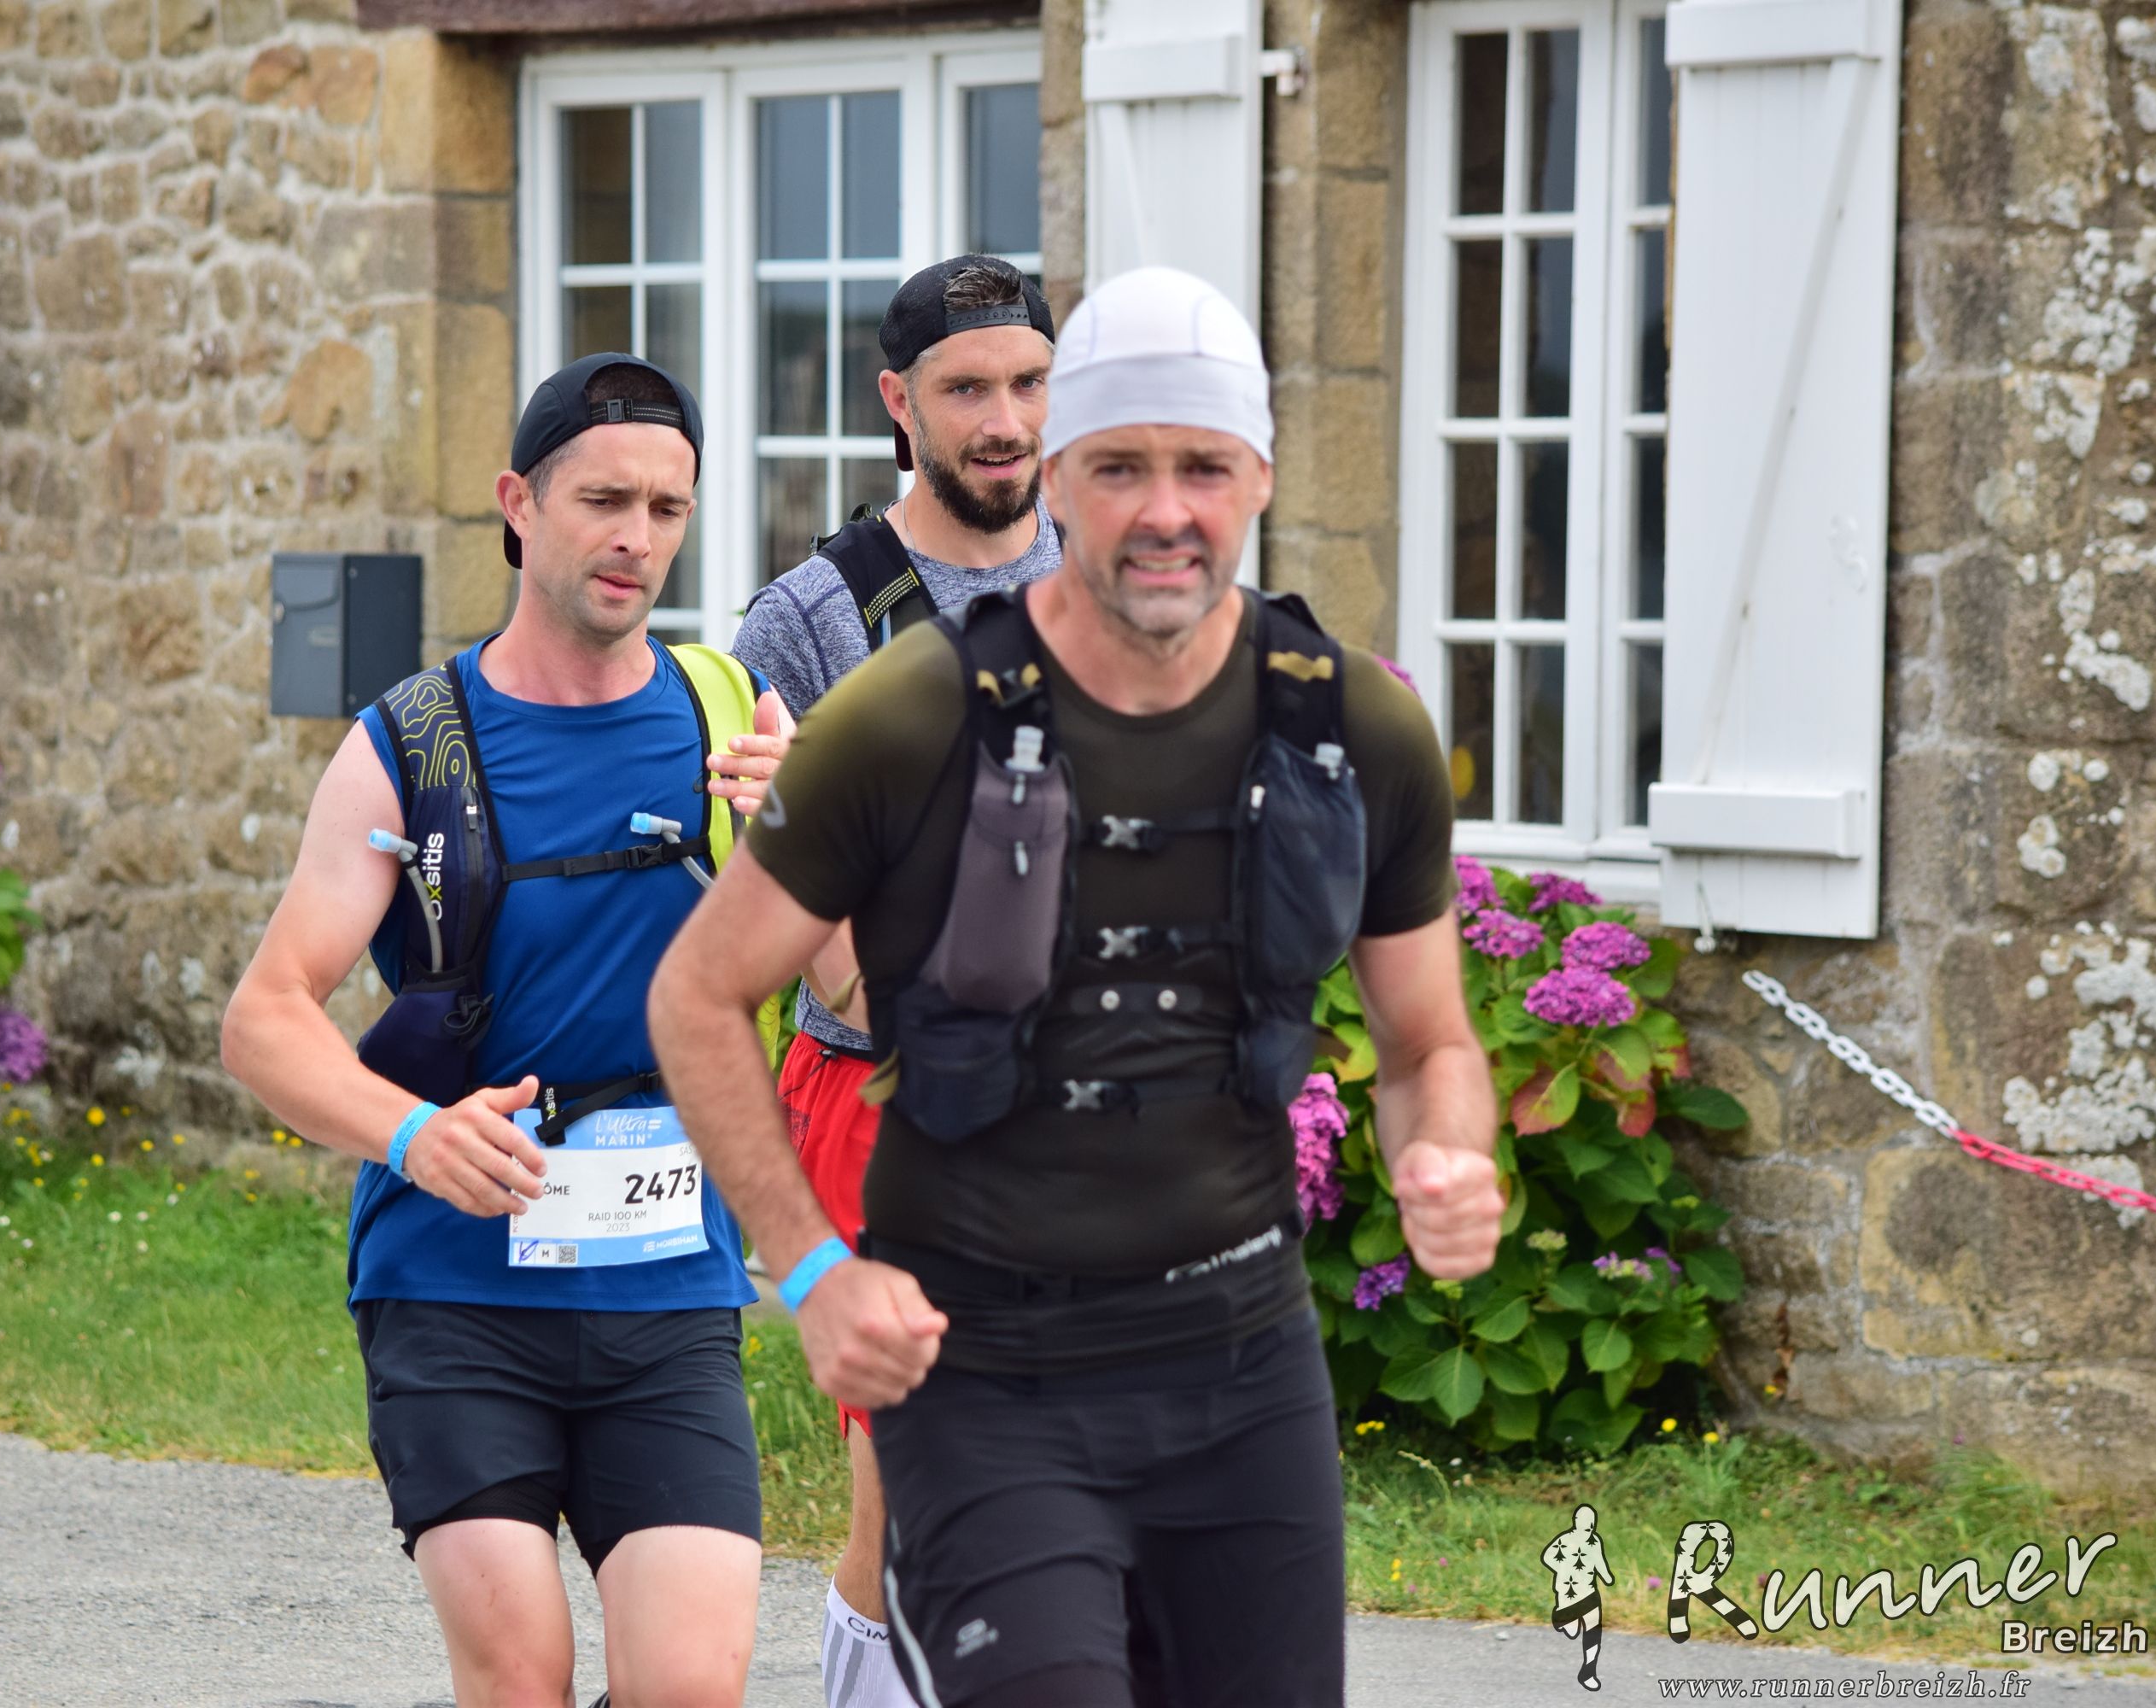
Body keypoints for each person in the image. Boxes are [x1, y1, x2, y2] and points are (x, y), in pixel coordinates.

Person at [651, 267, 1506, 1708]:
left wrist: (1450, 1154)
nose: (1166, 510)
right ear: (1060, 478)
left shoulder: (1353, 725)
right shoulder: (914, 709)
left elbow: (1430, 1045)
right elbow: (698, 993)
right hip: (989, 1375)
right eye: (1120, 468)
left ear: (1261, 479)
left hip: (1243, 1373)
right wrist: (810, 1268)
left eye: (1204, 467)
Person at [221, 354, 792, 1708]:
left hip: (669, 1287)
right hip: (455, 1292)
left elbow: (862, 996)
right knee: (521, 1675)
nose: (636, 536)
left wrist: (807, 836)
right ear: (520, 505)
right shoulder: (408, 745)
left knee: (692, 1687)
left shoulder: (737, 718)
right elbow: (266, 1017)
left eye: (666, 507)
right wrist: (413, 1135)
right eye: (604, 500)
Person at [730, 252, 1058, 1708]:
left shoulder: (1114, 577)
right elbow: (814, 947)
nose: (1005, 421)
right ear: (897, 402)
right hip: (883, 1093)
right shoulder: (810, 622)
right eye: (966, 389)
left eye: (1029, 383)